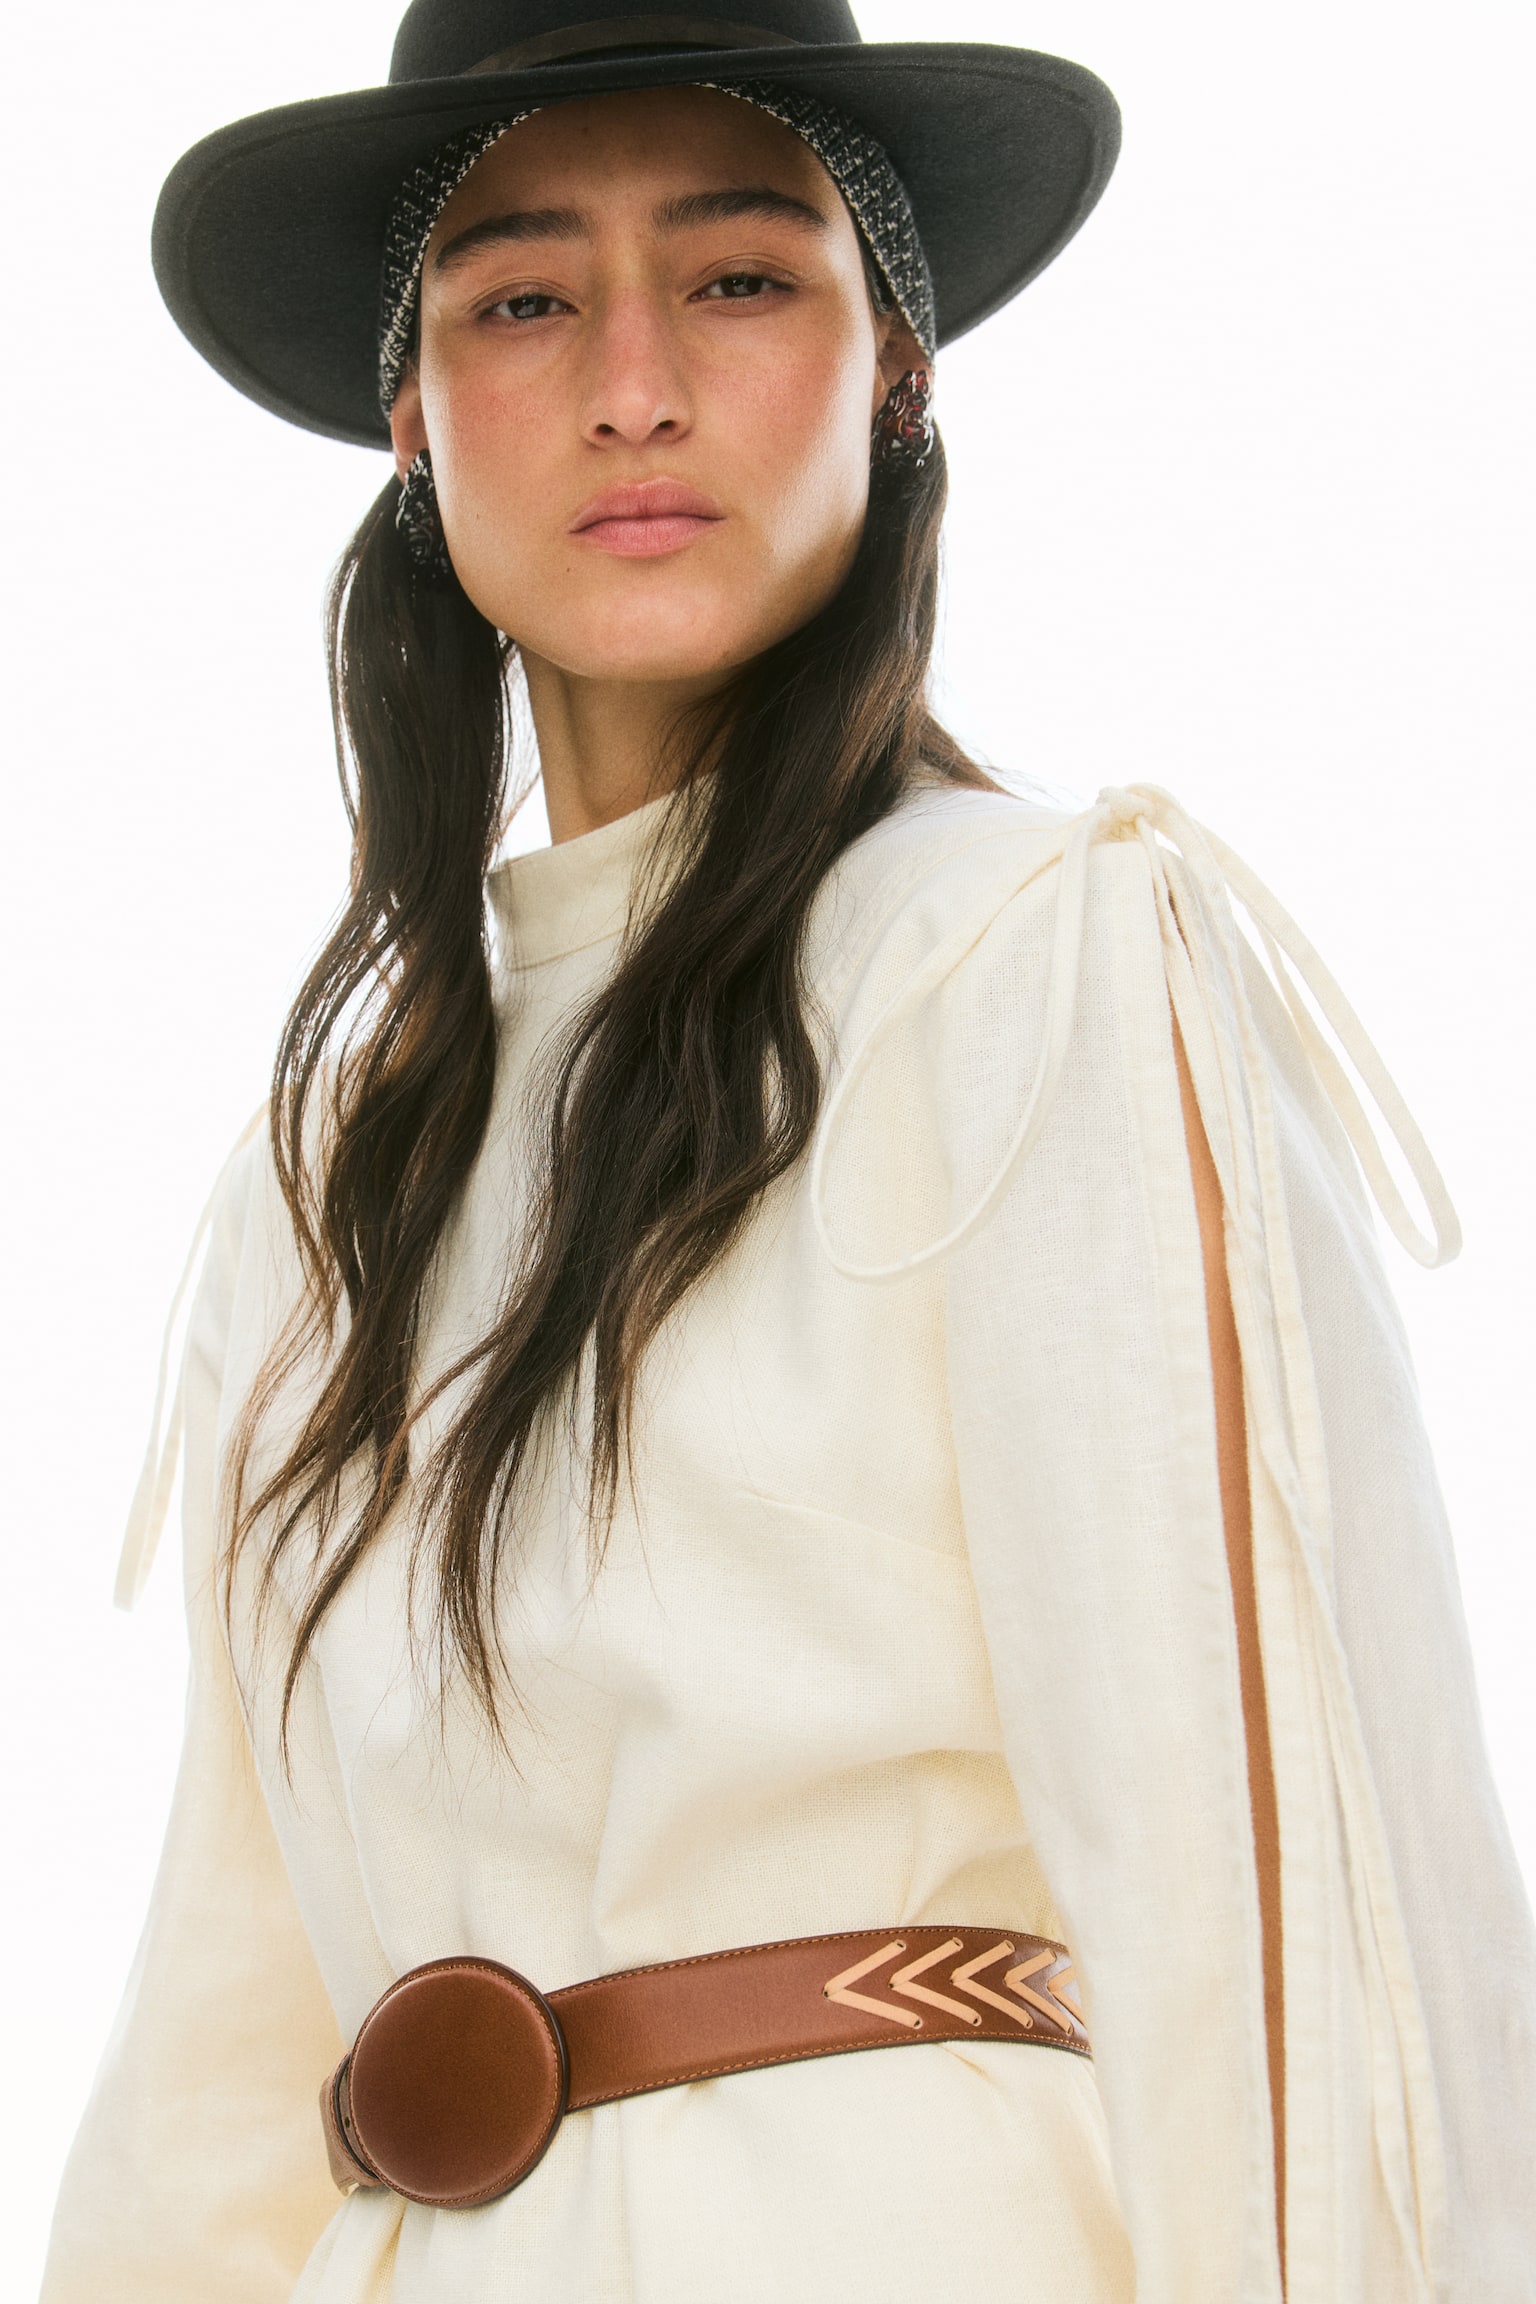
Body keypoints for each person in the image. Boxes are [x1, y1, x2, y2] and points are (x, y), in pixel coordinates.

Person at [39, 4, 1536, 2300]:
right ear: (411, 415)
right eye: (523, 299)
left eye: (739, 276)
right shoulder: (332, 1178)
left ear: (897, 372)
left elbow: (1285, 1925)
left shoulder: (1027, 957)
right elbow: (221, 2064)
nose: (634, 385)